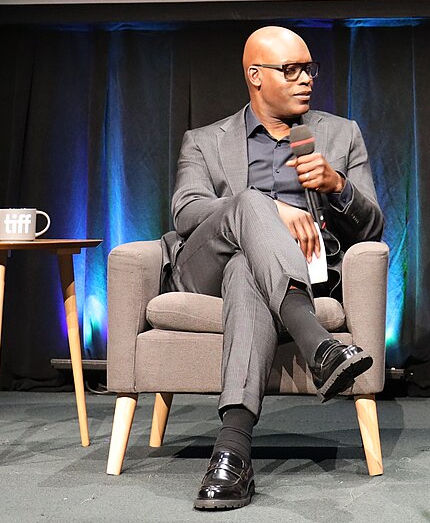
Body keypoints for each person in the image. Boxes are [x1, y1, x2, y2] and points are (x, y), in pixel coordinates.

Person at [164, 26, 383, 510]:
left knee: (248, 270)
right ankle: (317, 346)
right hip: (206, 269)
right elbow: (186, 211)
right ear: (256, 76)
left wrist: (336, 186)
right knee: (246, 208)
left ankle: (232, 452)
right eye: (292, 69)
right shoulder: (204, 140)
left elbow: (372, 229)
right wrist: (262, 208)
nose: (307, 79)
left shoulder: (340, 134)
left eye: (310, 68)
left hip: (301, 270)